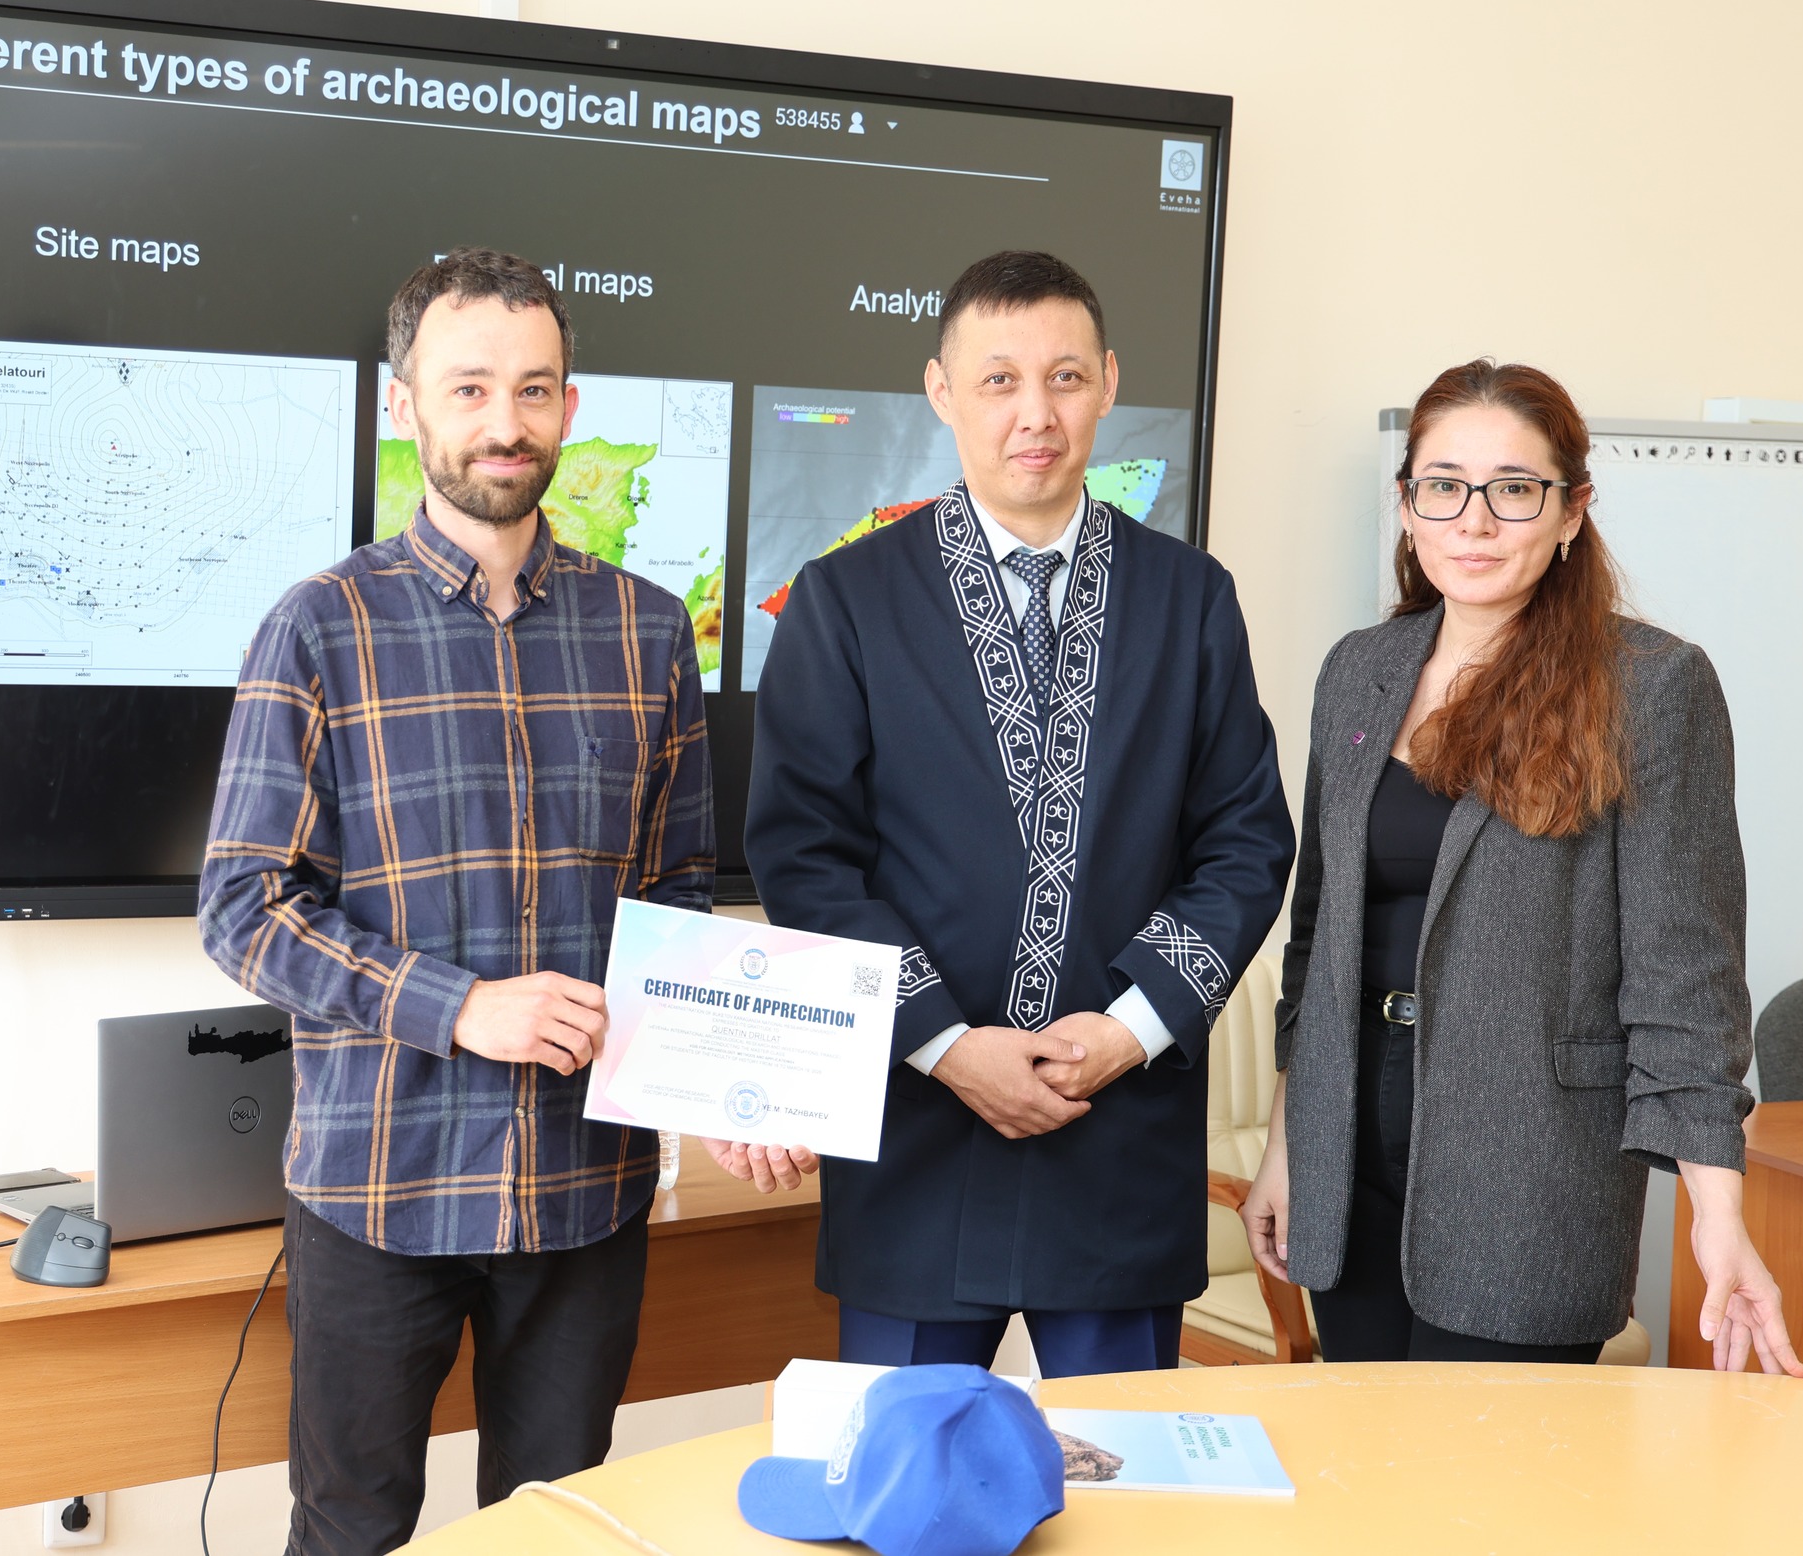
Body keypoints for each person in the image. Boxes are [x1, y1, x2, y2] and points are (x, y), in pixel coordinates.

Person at [198, 247, 721, 1555]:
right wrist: (461, 1007)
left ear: (569, 407)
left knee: (554, 1534)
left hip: (585, 1192)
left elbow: (677, 899)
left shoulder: (650, 632)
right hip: (379, 1188)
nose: (505, 423)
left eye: (534, 390)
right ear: (405, 405)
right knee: (350, 1531)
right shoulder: (317, 628)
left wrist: (732, 1081)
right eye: (470, 388)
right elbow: (243, 905)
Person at [741, 249, 1296, 1376]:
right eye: (998, 380)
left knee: (1123, 1478)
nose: (1034, 414)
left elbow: (1244, 842)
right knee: (904, 1477)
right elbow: (804, 857)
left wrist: (1129, 1031)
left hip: (1118, 1140)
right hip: (912, 1142)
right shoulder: (845, 599)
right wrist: (948, 1049)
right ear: (942, 392)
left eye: (1064, 378)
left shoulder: (1190, 598)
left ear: (1107, 383)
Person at [1242, 359, 1803, 1374]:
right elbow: (1318, 932)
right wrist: (1287, 1146)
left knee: (1485, 1464)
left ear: (1570, 512)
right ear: (1407, 506)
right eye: (1442, 486)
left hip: (1531, 1164)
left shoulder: (1651, 687)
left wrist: (1716, 1217)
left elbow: (1684, 978)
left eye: (1513, 489)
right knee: (1362, 1461)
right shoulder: (1358, 671)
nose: (1473, 521)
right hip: (1346, 1146)